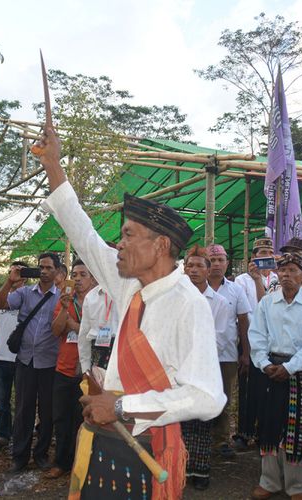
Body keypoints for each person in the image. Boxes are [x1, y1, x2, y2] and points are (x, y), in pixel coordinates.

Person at [37, 126, 225, 499]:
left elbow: (208, 397)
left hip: (148, 448)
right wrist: (53, 165)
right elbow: (84, 235)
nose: (118, 245)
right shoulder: (128, 282)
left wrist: (122, 405)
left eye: (128, 236)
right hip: (105, 437)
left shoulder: (189, 305)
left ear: (160, 246)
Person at [248, 253, 302, 500]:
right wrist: (263, 363)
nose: (286, 275)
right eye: (282, 271)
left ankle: (297, 486)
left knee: (298, 429)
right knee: (269, 425)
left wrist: (291, 367)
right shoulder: (267, 303)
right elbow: (257, 335)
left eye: (293, 270)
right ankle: (269, 481)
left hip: (300, 372)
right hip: (270, 368)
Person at [0, 253, 60, 473]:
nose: (43, 271)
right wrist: (10, 281)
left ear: (57, 271)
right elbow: (0, 303)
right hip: (25, 361)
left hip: (50, 362)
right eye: (41, 267)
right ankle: (19, 456)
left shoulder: (61, 297)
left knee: (47, 412)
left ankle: (40, 454)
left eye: (49, 267)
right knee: (23, 410)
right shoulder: (24, 292)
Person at [180, 245, 230, 490]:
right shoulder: (175, 298)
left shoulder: (219, 302)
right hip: (178, 369)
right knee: (181, 420)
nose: (194, 270)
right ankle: (180, 468)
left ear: (209, 270)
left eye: (200, 265)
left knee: (201, 421)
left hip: (204, 368)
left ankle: (200, 470)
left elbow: (219, 338)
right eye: (190, 265)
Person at [47, 259, 98, 479]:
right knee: (61, 418)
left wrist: (75, 325)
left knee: (84, 419)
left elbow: (96, 334)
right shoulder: (64, 302)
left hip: (88, 373)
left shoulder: (99, 302)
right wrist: (65, 310)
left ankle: (82, 463)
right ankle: (61, 462)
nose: (77, 279)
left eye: (82, 275)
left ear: (93, 278)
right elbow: (56, 330)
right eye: (75, 274)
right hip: (64, 369)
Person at [206, 243, 251, 458]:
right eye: (212, 260)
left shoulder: (236, 290)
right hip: (198, 356)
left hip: (227, 356)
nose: (216, 264)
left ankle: (221, 440)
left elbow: (243, 322)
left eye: (220, 260)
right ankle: (201, 438)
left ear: (227, 263)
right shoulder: (194, 287)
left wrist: (245, 353)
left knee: (223, 398)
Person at [233, 237, 277, 449]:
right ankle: (244, 432)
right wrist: (255, 278)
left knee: (266, 388)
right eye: (261, 253)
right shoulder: (241, 281)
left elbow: (268, 306)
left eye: (269, 252)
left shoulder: (278, 278)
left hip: (271, 343)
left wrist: (260, 280)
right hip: (249, 340)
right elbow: (251, 311)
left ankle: (262, 433)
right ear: (253, 258)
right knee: (247, 387)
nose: (265, 256)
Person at [0, 261, 27, 450]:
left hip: (22, 359)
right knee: (2, 402)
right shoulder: (4, 296)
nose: (16, 274)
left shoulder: (31, 297)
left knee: (21, 402)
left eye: (19, 271)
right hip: (1, 357)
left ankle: (20, 437)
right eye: (12, 271)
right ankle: (3, 436)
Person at [78, 283, 118, 373]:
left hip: (121, 354)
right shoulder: (91, 297)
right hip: (98, 356)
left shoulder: (128, 294)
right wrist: (86, 370)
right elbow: (84, 335)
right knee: (97, 385)